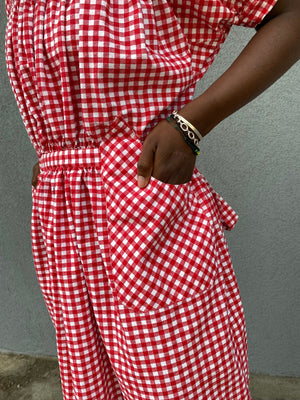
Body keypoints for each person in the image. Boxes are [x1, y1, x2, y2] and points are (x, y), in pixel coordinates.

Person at [5, 0, 299, 399]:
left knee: (179, 382)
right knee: (92, 380)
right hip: (62, 217)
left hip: (143, 198)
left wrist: (192, 122)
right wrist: (55, 153)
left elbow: (291, 13)